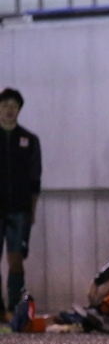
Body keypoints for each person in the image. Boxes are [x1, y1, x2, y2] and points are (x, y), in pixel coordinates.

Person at [0, 88, 42, 319]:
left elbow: (35, 179)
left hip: (19, 210)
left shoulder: (29, 140)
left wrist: (32, 210)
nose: (9, 110)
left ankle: (14, 308)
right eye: (5, 105)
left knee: (15, 259)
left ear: (19, 110)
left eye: (13, 106)